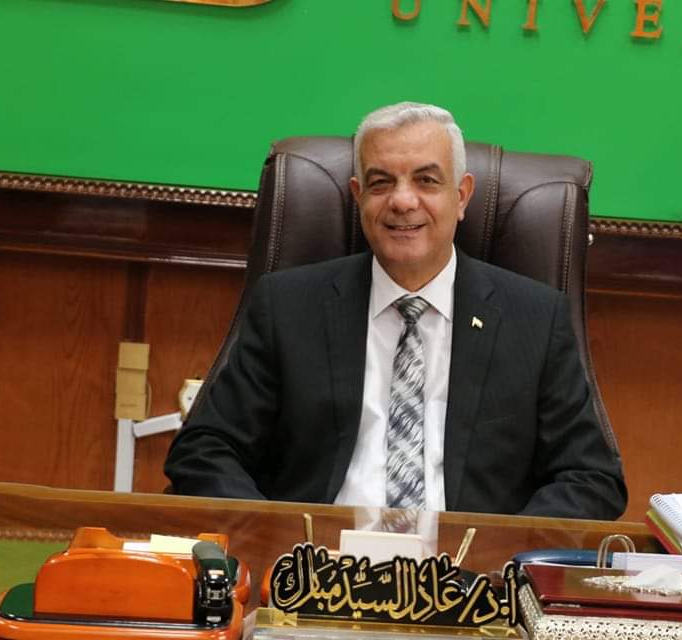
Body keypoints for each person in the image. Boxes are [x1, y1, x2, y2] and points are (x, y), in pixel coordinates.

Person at [164, 102, 627, 519]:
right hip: (317, 567)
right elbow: (206, 450)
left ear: (462, 196)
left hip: (467, 575)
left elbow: (590, 478)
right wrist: (276, 541)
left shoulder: (535, 319)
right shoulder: (287, 307)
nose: (402, 201)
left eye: (426, 180)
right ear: (358, 195)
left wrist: (500, 556)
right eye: (381, 182)